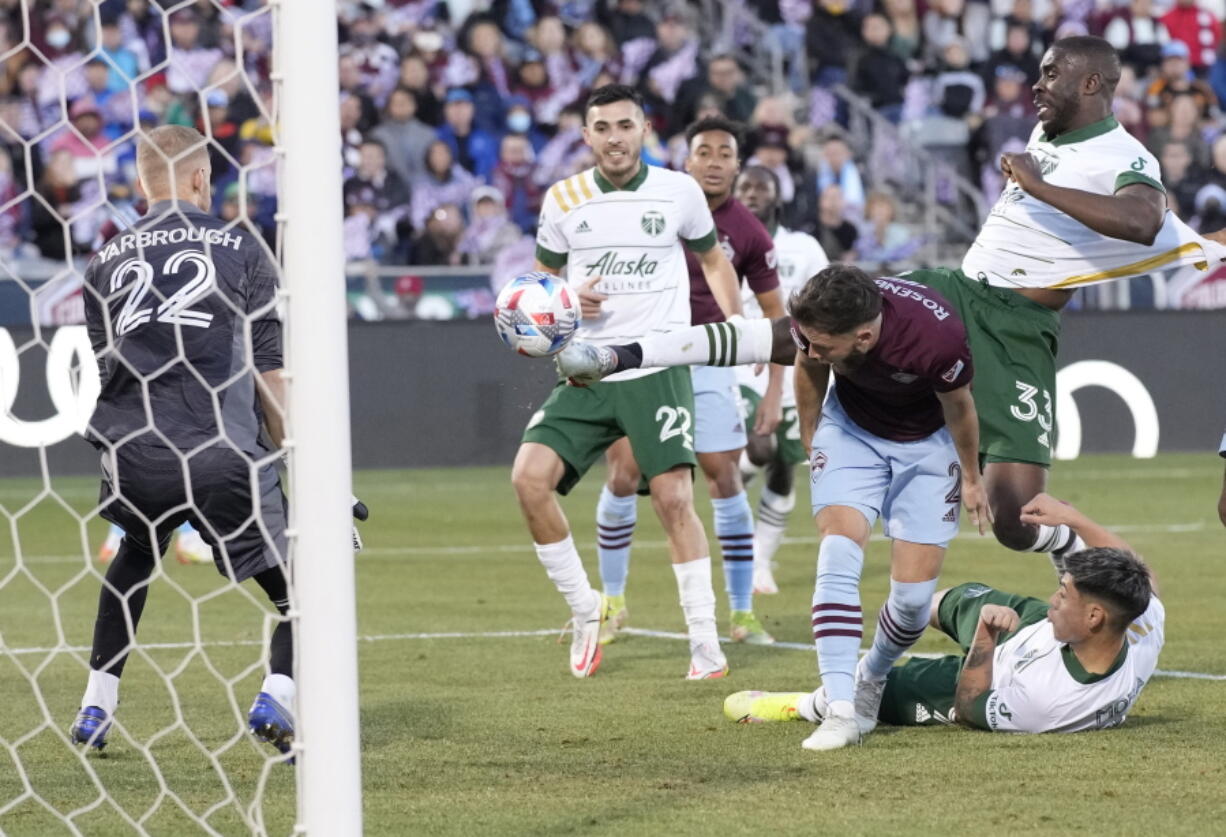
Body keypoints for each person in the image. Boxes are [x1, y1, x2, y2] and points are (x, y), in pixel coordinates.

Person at [563, 37, 1226, 568]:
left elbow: (1144, 219)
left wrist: (1037, 186)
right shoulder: (1049, 131)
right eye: (1039, 71)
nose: (1037, 84)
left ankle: (1083, 554)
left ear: (1092, 84)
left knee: (1014, 520)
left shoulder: (1121, 153)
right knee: (807, 331)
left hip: (1021, 330)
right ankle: (623, 351)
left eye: (1052, 73)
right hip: (956, 291)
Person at [560, 265, 991, 751]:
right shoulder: (821, 328)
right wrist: (813, 436)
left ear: (865, 337)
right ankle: (842, 711)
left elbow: (959, 408)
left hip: (929, 447)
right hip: (852, 432)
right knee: (838, 553)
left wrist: (973, 479)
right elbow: (776, 353)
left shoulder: (938, 338)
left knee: (912, 605)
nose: (810, 349)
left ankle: (869, 678)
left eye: (824, 345)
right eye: (804, 339)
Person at [70, 125, 364, 756]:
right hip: (217, 451)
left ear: (142, 183)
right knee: (306, 583)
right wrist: (311, 476)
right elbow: (271, 376)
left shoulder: (100, 264)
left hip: (133, 452)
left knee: (134, 559)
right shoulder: (239, 248)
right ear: (201, 178)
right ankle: (277, 697)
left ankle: (96, 705)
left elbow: (108, 373)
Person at [512, 85, 743, 681]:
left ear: (644, 130)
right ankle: (586, 608)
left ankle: (704, 642)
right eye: (602, 128)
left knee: (672, 500)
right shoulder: (563, 199)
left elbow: (714, 261)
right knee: (528, 480)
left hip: (658, 368)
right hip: (586, 368)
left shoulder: (680, 191)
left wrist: (738, 327)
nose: (614, 137)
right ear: (586, 137)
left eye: (625, 125)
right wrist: (566, 299)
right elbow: (542, 284)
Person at [725, 493, 1164, 735]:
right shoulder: (1139, 626)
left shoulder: (1047, 703)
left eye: (1063, 595)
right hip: (1035, 633)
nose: (1055, 596)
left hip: (995, 672)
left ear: (1092, 619)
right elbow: (1140, 576)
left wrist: (986, 640)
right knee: (934, 601)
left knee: (874, 692)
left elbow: (970, 706)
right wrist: (1074, 518)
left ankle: (804, 705)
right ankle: (906, 622)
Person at [593, 118, 783, 649]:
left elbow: (776, 315)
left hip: (708, 359)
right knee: (626, 471)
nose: (716, 161)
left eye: (726, 153)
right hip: (644, 354)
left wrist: (773, 391)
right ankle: (611, 601)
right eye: (705, 151)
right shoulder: (653, 206)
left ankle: (742, 613)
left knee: (723, 475)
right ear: (687, 160)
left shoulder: (748, 232)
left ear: (738, 165)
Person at [731, 165, 829, 596]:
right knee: (762, 446)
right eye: (745, 187)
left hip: (793, 365)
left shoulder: (802, 247)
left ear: (777, 196)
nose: (753, 193)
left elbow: (826, 297)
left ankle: (760, 561)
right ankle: (731, 489)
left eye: (761, 187)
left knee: (785, 465)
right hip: (737, 361)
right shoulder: (721, 244)